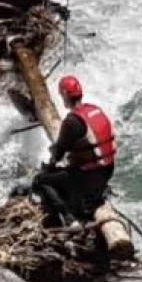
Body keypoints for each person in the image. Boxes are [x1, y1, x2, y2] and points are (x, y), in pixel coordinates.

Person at [31, 75, 116, 225]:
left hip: (87, 176)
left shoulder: (72, 121)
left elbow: (59, 153)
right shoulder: (95, 110)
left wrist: (48, 168)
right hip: (107, 171)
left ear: (64, 95)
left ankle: (69, 218)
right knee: (67, 176)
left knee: (41, 181)